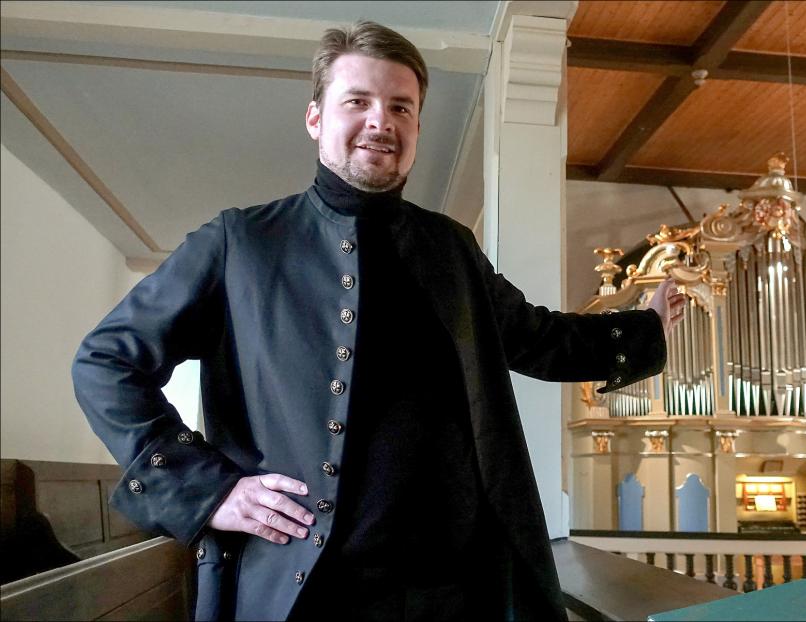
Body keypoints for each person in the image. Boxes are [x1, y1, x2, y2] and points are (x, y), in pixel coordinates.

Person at [72, 20, 685, 622]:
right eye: (358, 101)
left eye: (401, 107)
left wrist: (646, 328)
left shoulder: (451, 248)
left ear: (417, 125)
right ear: (316, 118)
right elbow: (106, 362)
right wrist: (210, 490)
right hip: (298, 587)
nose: (381, 122)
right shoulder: (240, 242)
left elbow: (538, 338)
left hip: (454, 590)